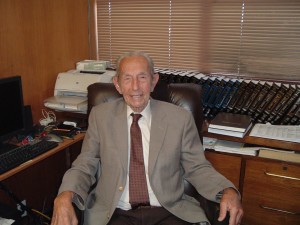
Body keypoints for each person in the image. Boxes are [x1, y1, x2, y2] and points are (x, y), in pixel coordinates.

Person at [51, 51, 243, 225]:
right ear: (117, 84)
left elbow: (197, 167)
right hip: (116, 213)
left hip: (168, 211)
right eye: (127, 79)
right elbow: (85, 164)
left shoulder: (179, 118)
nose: (135, 87)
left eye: (142, 77)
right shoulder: (100, 116)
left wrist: (227, 189)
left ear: (153, 81)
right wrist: (65, 194)